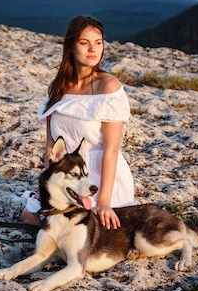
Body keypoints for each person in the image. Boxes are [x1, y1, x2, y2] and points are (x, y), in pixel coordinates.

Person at [21, 15, 135, 230]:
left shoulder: (108, 87)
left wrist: (103, 203)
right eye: (84, 43)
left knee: (84, 230)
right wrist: (48, 187)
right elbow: (50, 146)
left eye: (98, 43)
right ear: (71, 46)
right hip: (65, 177)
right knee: (30, 216)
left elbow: (111, 150)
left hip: (99, 177)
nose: (93, 49)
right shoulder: (59, 87)